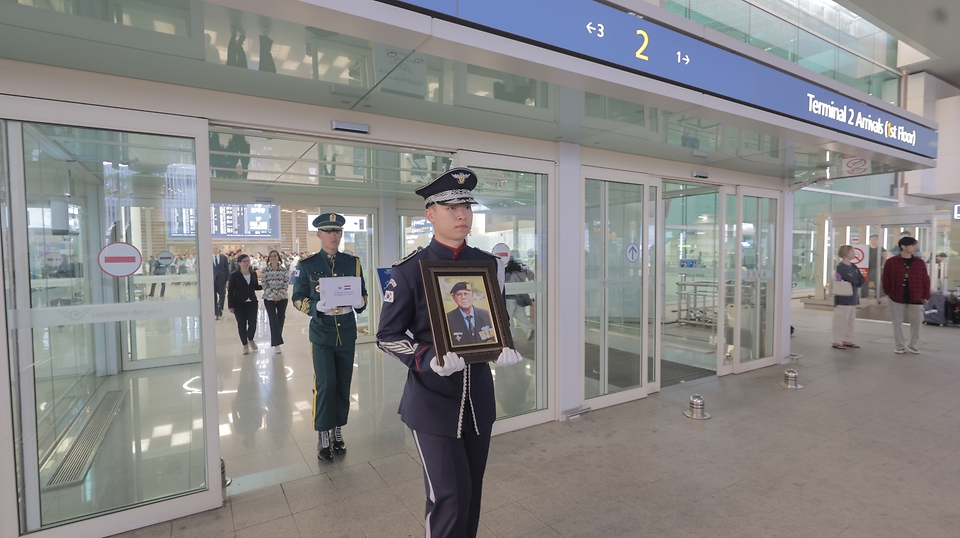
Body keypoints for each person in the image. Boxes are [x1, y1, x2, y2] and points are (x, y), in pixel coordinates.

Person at [376, 168, 523, 538]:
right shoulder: (410, 271)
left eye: (467, 207)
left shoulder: (486, 264)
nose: (462, 215)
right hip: (432, 404)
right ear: (430, 214)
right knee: (448, 497)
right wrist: (426, 357)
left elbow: (496, 319)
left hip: (478, 400)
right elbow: (387, 334)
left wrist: (503, 344)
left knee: (471, 494)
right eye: (450, 207)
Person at [291, 213, 368, 462]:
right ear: (319, 234)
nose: (333, 236)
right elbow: (297, 298)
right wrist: (316, 308)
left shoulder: (352, 263)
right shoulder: (307, 265)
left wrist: (360, 302)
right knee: (325, 384)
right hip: (322, 333)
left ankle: (337, 430)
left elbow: (363, 296)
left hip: (346, 331)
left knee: (343, 383)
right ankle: (323, 434)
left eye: (337, 231)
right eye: (328, 231)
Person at [881, 236, 930, 354]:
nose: (915, 248)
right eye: (912, 245)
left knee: (917, 321)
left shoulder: (919, 262)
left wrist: (926, 295)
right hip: (896, 296)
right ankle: (899, 346)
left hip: (916, 296)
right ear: (903, 247)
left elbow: (925, 279)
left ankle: (913, 345)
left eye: (915, 245)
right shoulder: (891, 262)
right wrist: (888, 291)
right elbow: (885, 278)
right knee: (896, 322)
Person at [831, 245, 865, 350]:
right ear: (846, 253)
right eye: (852, 251)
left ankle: (847, 339)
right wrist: (856, 279)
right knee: (840, 321)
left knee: (850, 321)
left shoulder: (853, 266)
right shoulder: (840, 267)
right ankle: (837, 341)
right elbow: (854, 279)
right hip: (843, 299)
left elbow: (860, 279)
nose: (854, 253)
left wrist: (856, 279)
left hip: (853, 297)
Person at [228, 253, 262, 355]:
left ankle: (250, 339)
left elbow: (255, 286)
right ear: (239, 263)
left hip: (252, 302)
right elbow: (230, 291)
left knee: (253, 323)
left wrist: (266, 286)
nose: (246, 263)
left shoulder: (253, 274)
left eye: (248, 261)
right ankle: (245, 345)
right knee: (241, 324)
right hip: (239, 303)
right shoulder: (234, 275)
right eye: (244, 261)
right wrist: (230, 305)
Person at [261, 250, 290, 353]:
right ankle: (276, 343)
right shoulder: (265, 271)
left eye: (275, 256)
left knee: (281, 318)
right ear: (269, 258)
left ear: (278, 258)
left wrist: (280, 295)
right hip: (269, 298)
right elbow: (264, 284)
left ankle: (277, 338)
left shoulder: (284, 270)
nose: (273, 258)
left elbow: (286, 283)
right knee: (273, 319)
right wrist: (272, 295)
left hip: (282, 298)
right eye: (271, 256)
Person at [504, 254, 535, 341]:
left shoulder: (507, 269)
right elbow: (533, 277)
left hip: (509, 298)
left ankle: (510, 336)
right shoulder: (524, 269)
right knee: (521, 315)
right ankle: (529, 329)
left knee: (508, 317)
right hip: (520, 297)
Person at [861, 234, 886, 298]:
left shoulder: (881, 249)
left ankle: (879, 295)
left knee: (877, 281)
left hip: (877, 267)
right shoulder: (866, 249)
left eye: (875, 239)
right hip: (867, 267)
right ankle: (864, 295)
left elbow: (884, 258)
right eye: (872, 239)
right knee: (865, 281)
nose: (873, 241)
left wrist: (883, 266)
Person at [213, 245, 230, 320]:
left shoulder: (223, 258)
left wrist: (228, 280)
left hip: (222, 279)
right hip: (212, 280)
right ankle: (216, 312)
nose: (215, 250)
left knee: (222, 295)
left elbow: (227, 269)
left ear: (218, 249)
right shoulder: (208, 257)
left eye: (216, 248)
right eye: (214, 248)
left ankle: (220, 308)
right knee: (213, 296)